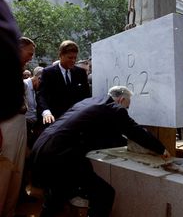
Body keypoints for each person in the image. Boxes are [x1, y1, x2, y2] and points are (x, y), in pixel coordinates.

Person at [30, 85, 170, 217]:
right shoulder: (115, 108)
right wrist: (161, 149)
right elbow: (135, 131)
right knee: (104, 194)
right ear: (121, 100)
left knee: (57, 195)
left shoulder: (90, 102)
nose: (126, 110)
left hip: (42, 148)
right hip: (61, 156)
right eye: (127, 107)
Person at [0, 0, 35, 215]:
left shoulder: (20, 74)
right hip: (6, 125)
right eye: (29, 53)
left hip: (20, 123)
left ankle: (10, 210)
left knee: (17, 170)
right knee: (4, 169)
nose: (31, 58)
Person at [36, 40, 91, 126]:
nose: (73, 60)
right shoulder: (48, 73)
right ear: (61, 55)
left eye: (75, 58)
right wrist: (46, 112)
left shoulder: (80, 73)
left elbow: (86, 96)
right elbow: (42, 95)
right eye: (70, 58)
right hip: (55, 120)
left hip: (76, 120)